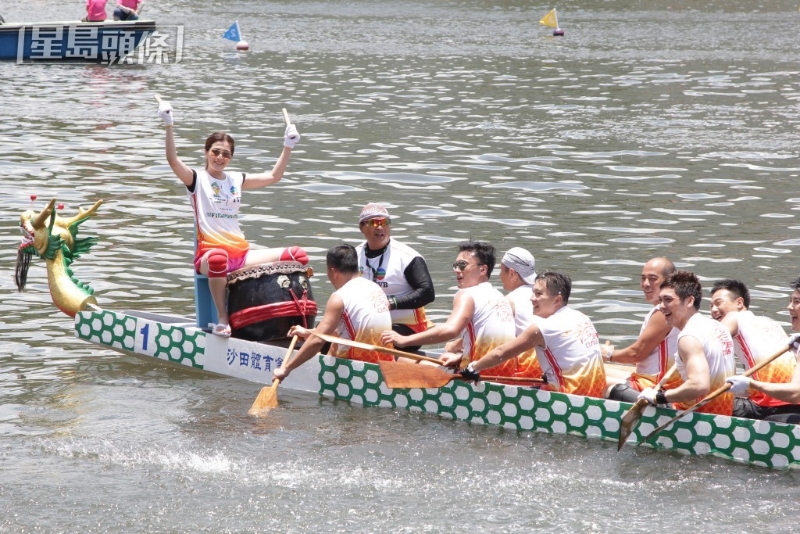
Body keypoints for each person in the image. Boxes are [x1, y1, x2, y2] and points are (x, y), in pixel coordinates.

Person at [157, 98, 306, 337]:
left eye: (226, 154)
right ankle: (223, 318)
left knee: (297, 256)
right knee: (218, 259)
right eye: (215, 152)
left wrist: (288, 146)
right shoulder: (196, 179)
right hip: (210, 255)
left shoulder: (235, 179)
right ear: (206, 153)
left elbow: (273, 176)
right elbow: (173, 160)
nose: (220, 157)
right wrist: (169, 125)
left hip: (241, 254)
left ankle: (289, 316)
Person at [380, 241, 518, 376]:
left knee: (397, 358)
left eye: (462, 265)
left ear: (483, 269)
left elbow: (450, 330)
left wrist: (404, 340)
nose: (457, 270)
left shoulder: (467, 295)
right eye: (456, 265)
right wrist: (460, 356)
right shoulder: (499, 296)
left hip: (477, 375)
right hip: (506, 373)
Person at [460, 271, 606, 397]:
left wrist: (473, 368)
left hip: (567, 397)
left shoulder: (543, 328)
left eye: (538, 294)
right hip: (595, 394)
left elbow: (500, 353)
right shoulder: (582, 317)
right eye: (533, 293)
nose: (531, 299)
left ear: (557, 300)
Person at [272, 244, 393, 382]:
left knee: (327, 347)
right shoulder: (374, 287)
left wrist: (286, 369)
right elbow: (344, 329)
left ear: (333, 271)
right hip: (385, 365)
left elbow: (317, 340)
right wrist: (308, 333)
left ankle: (326, 379)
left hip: (360, 373)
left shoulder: (340, 297)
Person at [638, 271, 736, 416]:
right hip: (723, 414)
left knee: (617, 390)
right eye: (660, 300)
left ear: (689, 301)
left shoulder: (688, 337)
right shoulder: (718, 327)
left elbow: (699, 385)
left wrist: (659, 397)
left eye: (668, 300)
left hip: (695, 417)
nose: (661, 306)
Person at [710, 279, 800, 420]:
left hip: (769, 405)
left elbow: (707, 344)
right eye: (710, 306)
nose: (713, 310)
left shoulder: (734, 317)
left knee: (701, 399)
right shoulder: (772, 323)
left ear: (739, 303)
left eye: (718, 303)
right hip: (788, 403)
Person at [355, 203, 434, 351]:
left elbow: (427, 293)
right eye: (374, 222)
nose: (380, 227)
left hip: (406, 329)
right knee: (327, 332)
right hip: (367, 324)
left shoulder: (408, 257)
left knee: (372, 338)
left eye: (384, 222)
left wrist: (390, 303)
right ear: (362, 227)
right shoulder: (354, 255)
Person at [602, 257, 680, 402]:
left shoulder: (663, 312)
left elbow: (636, 354)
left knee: (594, 380)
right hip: (659, 377)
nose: (645, 284)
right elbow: (643, 355)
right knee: (601, 371)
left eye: (652, 279)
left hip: (658, 385)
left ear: (669, 281)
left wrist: (607, 354)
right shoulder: (674, 307)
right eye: (643, 278)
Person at [498, 247, 542, 378]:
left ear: (512, 273)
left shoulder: (508, 301)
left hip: (526, 370)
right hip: (548, 362)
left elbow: (496, 341)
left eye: (501, 270)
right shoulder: (545, 296)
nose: (499, 275)